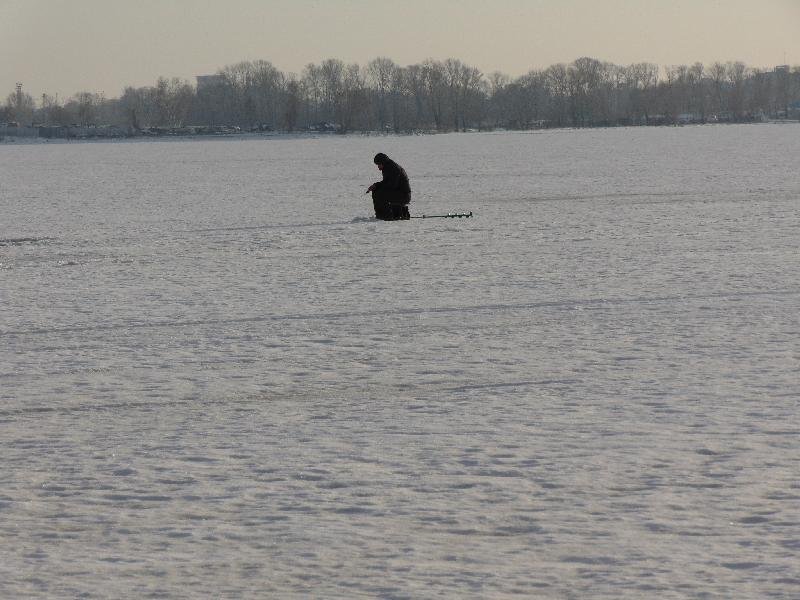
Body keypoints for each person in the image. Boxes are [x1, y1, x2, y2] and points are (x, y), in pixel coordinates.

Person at [366, 153, 411, 220]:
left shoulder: (394, 168)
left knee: (380, 193)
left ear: (383, 162)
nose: (378, 168)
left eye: (379, 165)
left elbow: (392, 185)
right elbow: (386, 182)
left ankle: (386, 216)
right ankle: (380, 215)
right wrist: (376, 185)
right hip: (398, 193)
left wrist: (378, 187)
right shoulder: (387, 167)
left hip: (404, 195)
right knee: (376, 191)